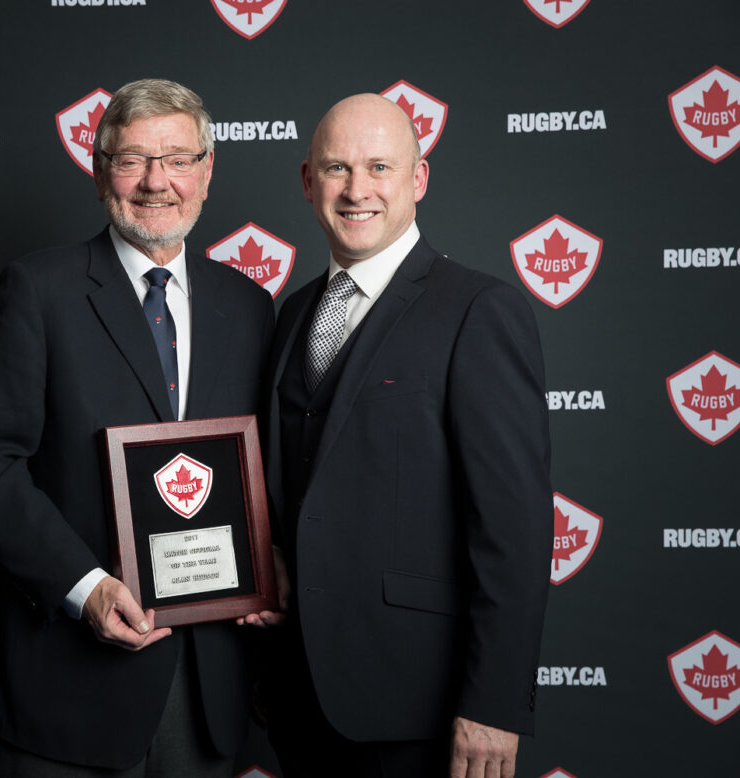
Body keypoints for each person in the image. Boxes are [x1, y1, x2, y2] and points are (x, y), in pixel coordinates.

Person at [0, 78, 275, 777]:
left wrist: (268, 566)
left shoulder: (249, 307)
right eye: (132, 159)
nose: (157, 182)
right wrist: (86, 586)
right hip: (65, 693)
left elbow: (264, 468)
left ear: (208, 171)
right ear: (100, 171)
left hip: (203, 695)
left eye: (178, 159)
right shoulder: (38, 292)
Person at [260, 93, 552, 777]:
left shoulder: (479, 310)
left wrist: (496, 703)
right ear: (308, 182)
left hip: (421, 706)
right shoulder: (292, 312)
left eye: (380, 167)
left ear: (417, 180)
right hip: (299, 700)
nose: (357, 189)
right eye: (336, 168)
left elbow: (513, 529)